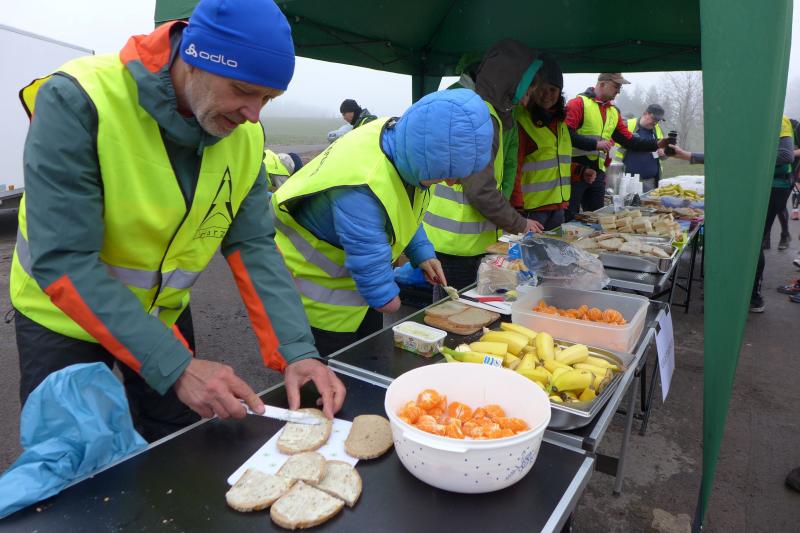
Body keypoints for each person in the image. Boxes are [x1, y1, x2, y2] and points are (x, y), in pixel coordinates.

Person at [10, 0, 345, 443]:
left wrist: (298, 350)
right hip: (63, 321)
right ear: (194, 58)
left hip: (160, 314)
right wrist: (177, 366)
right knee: (73, 459)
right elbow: (64, 258)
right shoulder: (79, 99)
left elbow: (253, 245)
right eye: (243, 90)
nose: (253, 114)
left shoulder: (244, 136)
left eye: (267, 99)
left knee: (175, 441)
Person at [272, 89, 493, 355]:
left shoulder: (407, 150)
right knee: (327, 371)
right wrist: (390, 301)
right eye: (448, 173)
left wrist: (421, 252)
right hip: (317, 301)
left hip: (356, 292)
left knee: (367, 355)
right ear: (429, 155)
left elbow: (401, 210)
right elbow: (369, 259)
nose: (451, 181)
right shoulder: (361, 184)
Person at [423, 40, 545, 291]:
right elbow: (480, 189)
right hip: (459, 244)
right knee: (454, 307)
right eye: (527, 92)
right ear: (512, 83)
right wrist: (519, 223)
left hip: (456, 241)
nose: (525, 102)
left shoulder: (480, 111)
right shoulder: (483, 118)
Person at [565, 73, 670, 219]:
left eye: (620, 88)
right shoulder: (578, 104)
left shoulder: (613, 111)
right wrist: (595, 144)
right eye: (616, 86)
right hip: (573, 173)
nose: (619, 91)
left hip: (598, 174)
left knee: (597, 219)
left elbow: (630, 141)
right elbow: (565, 135)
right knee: (569, 218)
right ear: (602, 84)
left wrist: (656, 144)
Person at [512, 56, 588, 230]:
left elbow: (555, 162)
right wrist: (516, 209)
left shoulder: (560, 122)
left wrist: (579, 171)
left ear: (560, 92)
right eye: (542, 89)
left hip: (558, 208)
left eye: (553, 89)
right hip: (531, 212)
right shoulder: (522, 121)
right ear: (532, 89)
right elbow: (513, 168)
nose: (547, 95)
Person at [614, 104, 667, 192]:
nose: (655, 122)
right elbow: (614, 146)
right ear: (645, 113)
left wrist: (664, 153)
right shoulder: (627, 125)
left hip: (650, 182)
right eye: (654, 119)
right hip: (626, 180)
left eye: (658, 120)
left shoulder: (658, 130)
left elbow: (665, 155)